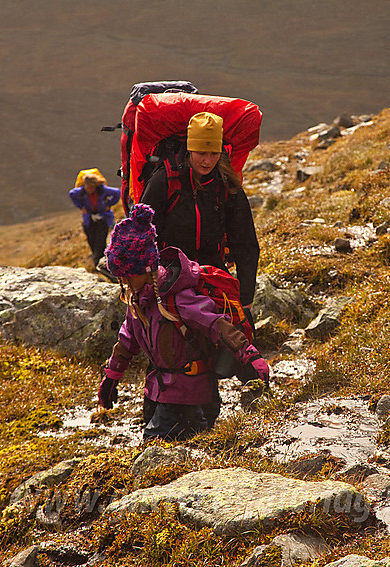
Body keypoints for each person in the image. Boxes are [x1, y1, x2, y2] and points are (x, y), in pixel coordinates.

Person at [97, 204, 270, 441]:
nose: (124, 280)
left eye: (129, 274)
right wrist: (112, 376)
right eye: (120, 276)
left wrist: (249, 355)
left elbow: (216, 325)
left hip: (191, 394)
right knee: (160, 441)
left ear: (147, 268)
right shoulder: (138, 299)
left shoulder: (178, 297)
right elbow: (128, 339)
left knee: (157, 445)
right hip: (160, 390)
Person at [139, 111, 261, 426]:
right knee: (167, 346)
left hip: (210, 275)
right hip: (167, 277)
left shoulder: (226, 186)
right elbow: (142, 230)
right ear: (189, 150)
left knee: (216, 339)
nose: (206, 160)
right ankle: (155, 411)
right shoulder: (165, 180)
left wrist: (245, 296)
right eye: (200, 152)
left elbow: (245, 242)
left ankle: (215, 411)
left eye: (212, 153)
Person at [68, 169, 121, 268]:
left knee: (100, 241)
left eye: (90, 187)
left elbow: (117, 192)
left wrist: (109, 204)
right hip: (89, 219)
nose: (88, 189)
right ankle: (98, 262)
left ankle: (100, 263)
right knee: (91, 240)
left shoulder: (102, 190)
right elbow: (72, 194)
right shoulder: (81, 192)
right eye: (87, 187)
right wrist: (81, 206)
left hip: (103, 218)